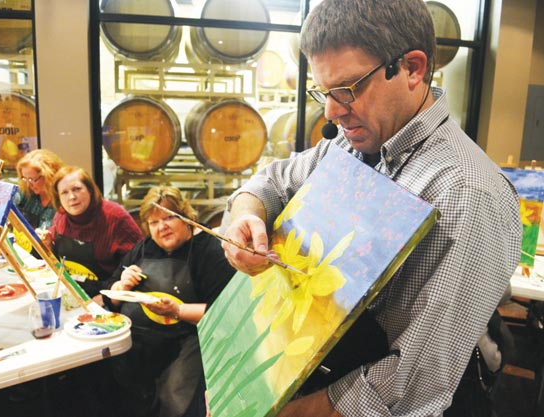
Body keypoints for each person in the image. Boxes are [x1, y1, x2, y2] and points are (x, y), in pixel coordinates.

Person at [220, 1, 522, 416]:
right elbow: (272, 180)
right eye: (324, 92)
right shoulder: (352, 146)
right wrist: (246, 216)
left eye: (347, 88)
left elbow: (412, 383)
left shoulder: (468, 193)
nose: (330, 112)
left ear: (412, 68)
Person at [103, 185, 235, 417]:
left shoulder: (209, 251)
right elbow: (109, 295)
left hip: (186, 343)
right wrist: (122, 286)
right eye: (154, 223)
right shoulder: (144, 248)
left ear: (185, 216)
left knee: (175, 402)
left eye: (168, 218)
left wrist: (178, 310)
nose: (161, 227)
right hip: (138, 347)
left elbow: (225, 312)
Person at [41, 165, 143, 306]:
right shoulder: (61, 216)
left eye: (77, 189)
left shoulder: (115, 217)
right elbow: (60, 259)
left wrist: (107, 298)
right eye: (64, 192)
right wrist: (47, 246)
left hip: (108, 299)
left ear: (90, 190)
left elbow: (140, 263)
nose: (72, 197)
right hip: (71, 293)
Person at [14, 149, 64, 231]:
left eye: (32, 179)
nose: (28, 185)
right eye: (25, 178)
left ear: (49, 177)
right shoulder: (24, 192)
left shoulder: (64, 201)